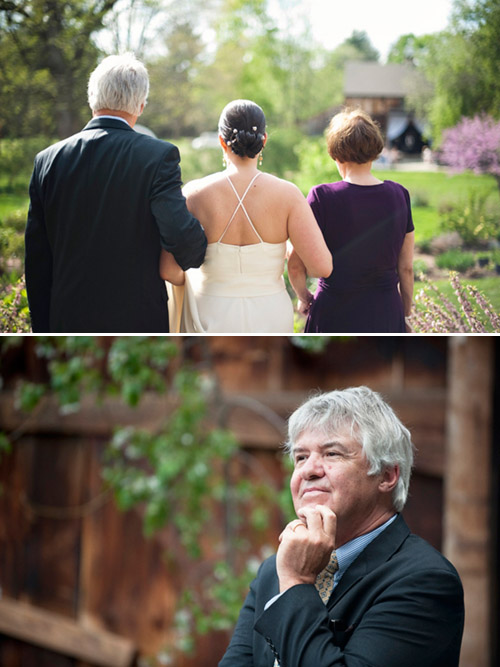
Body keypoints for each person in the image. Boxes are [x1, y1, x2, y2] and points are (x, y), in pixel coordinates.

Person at [219, 386, 464, 667]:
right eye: (300, 457)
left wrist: (297, 585)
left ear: (386, 475)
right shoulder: (273, 572)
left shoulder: (424, 581)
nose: (309, 470)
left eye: (332, 454)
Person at [25, 53, 207, 333]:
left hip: (66, 321)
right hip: (138, 320)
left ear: (91, 97)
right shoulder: (158, 157)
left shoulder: (47, 160)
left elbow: (37, 261)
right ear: (141, 105)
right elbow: (182, 240)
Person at [160, 99, 332, 333]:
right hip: (270, 314)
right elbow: (322, 266)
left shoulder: (193, 194)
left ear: (221, 141)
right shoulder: (289, 194)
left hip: (209, 312)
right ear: (264, 141)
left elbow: (169, 271)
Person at [288, 108, 414, 333]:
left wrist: (303, 296)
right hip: (386, 311)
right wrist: (404, 314)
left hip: (334, 314)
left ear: (336, 153)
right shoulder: (399, 195)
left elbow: (296, 263)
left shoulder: (322, 197)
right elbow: (406, 268)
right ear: (375, 149)